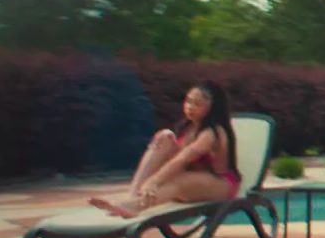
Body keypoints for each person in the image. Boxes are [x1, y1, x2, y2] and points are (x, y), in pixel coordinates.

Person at [89, 81, 241, 217]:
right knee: (164, 139)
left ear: (212, 108)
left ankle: (137, 205)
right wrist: (166, 138)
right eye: (188, 101)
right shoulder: (188, 127)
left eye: (197, 104)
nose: (189, 107)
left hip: (220, 185)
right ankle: (133, 195)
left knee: (179, 180)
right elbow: (175, 156)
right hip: (193, 180)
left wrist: (154, 181)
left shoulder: (212, 132)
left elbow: (183, 158)